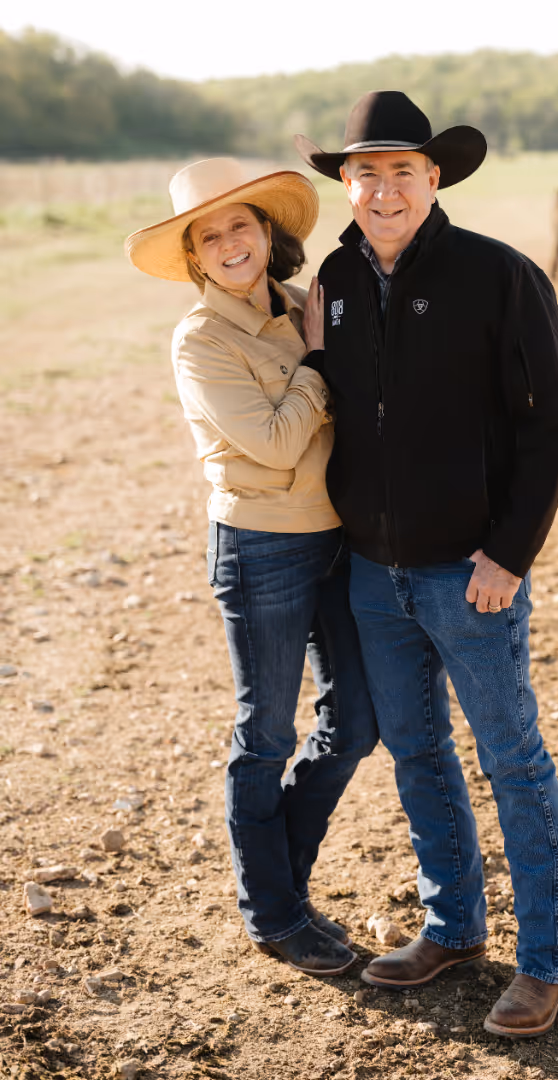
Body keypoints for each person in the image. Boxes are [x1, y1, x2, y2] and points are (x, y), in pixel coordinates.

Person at [295, 90, 558, 1038]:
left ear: (435, 177)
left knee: (512, 761)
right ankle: (453, 927)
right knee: (417, 752)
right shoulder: (332, 280)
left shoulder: (499, 275)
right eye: (366, 172)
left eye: (402, 172)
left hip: (471, 571)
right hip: (372, 572)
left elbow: (555, 423)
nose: (384, 190)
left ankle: (545, 963)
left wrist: (509, 551)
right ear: (345, 183)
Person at [124, 158, 379, 976]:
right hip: (261, 546)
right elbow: (271, 443)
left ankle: (284, 889)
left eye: (242, 224)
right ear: (196, 259)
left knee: (356, 724)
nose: (231, 242)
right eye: (211, 235)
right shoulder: (200, 340)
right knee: (264, 733)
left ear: (267, 234)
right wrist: (315, 368)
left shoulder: (305, 308)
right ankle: (273, 914)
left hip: (338, 538)